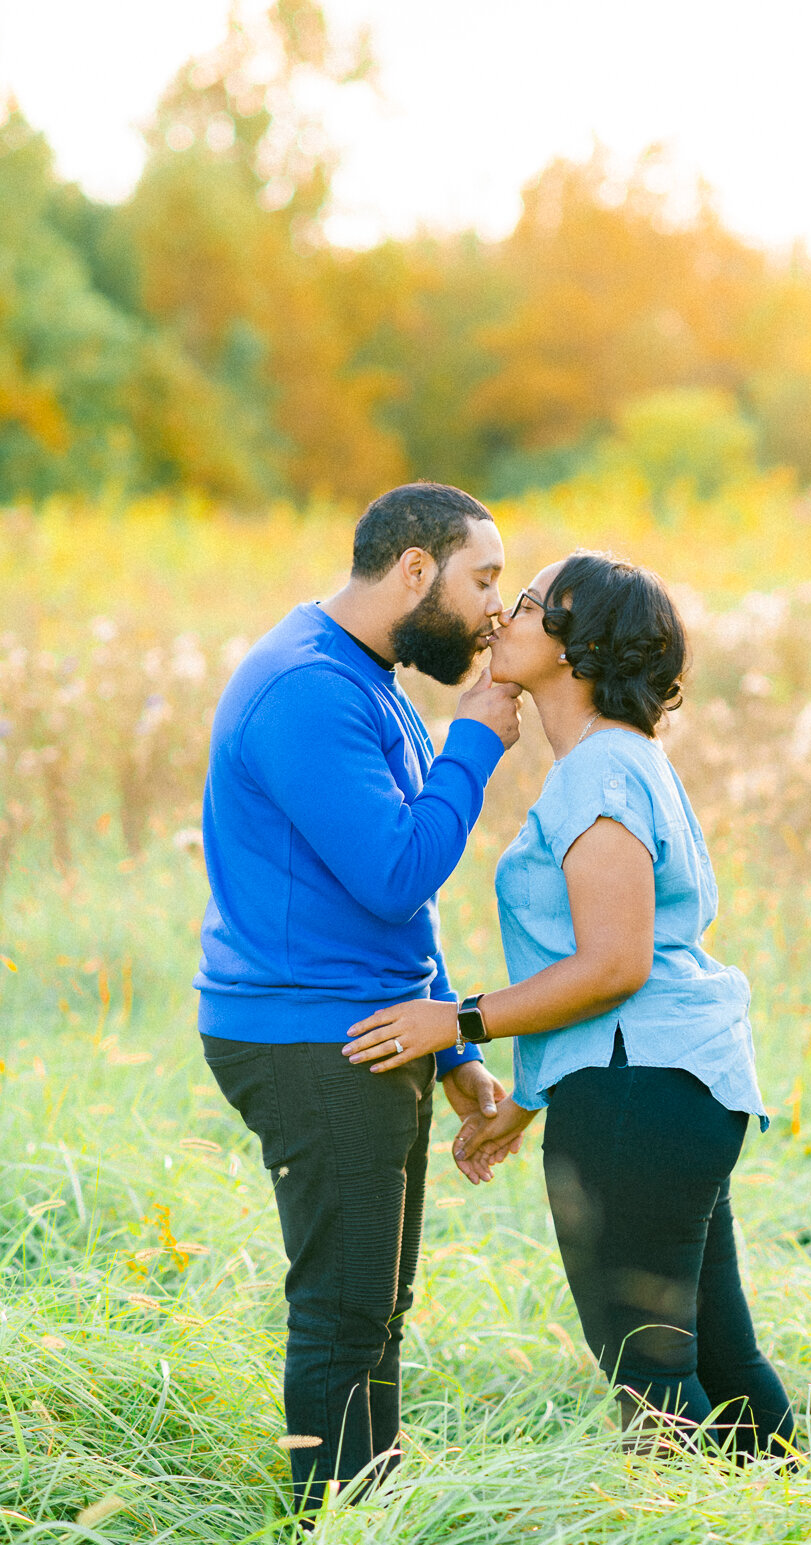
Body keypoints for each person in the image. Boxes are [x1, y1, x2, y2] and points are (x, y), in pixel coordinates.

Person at [346, 552, 795, 1460]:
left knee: (649, 1372)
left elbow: (616, 964)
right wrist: (528, 1099)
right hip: (663, 1086)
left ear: (577, 646)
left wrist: (457, 1019)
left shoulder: (599, 775)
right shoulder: (614, 763)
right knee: (716, 1357)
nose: (500, 619)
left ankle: (694, 1523)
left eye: (526, 605)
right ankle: (804, 1511)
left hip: (642, 1092)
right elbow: (610, 976)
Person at [195, 482, 523, 1517]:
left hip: (370, 1025)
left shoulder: (360, 675)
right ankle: (330, 1525)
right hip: (311, 1038)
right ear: (415, 571)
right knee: (343, 1313)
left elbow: (374, 910)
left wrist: (455, 1044)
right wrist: (476, 739)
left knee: (376, 1309)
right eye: (484, 581)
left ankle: (368, 1517)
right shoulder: (307, 689)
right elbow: (394, 872)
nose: (494, 612)